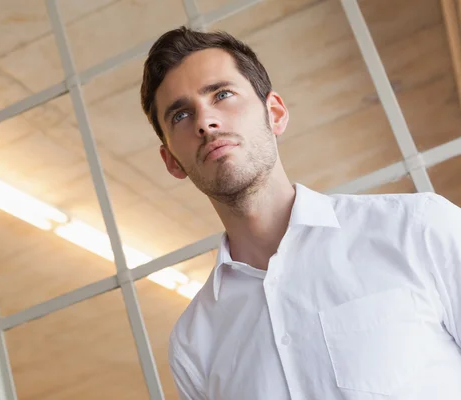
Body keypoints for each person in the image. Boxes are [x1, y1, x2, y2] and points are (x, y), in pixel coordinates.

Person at [139, 26, 461, 399]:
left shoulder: (417, 228)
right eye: (180, 115)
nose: (204, 122)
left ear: (274, 113)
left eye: (222, 94)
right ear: (171, 162)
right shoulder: (194, 342)